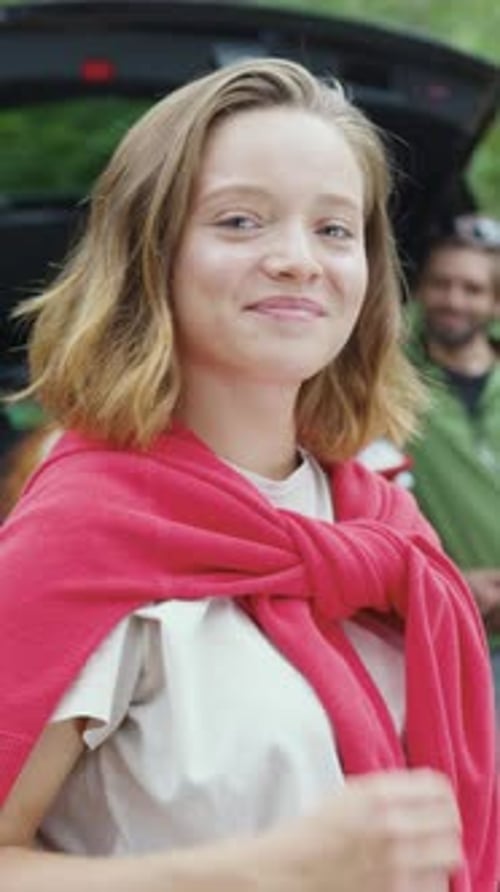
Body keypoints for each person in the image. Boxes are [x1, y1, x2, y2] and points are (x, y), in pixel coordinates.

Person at [0, 59, 497, 892]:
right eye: (240, 221)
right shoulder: (80, 539)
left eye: (335, 229)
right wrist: (259, 874)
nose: (299, 260)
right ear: (149, 253)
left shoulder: (382, 528)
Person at [405, 216, 500, 719]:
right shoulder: (394, 391)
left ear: (495, 302)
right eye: (440, 284)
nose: (454, 299)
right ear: (420, 291)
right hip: (457, 634)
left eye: (472, 288)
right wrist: (457, 580)